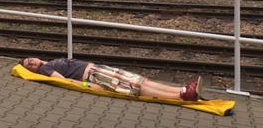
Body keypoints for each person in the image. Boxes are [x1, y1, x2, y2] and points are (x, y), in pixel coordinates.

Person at [20, 57, 203, 101]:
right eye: (30, 65)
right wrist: (87, 85)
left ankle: (183, 90)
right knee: (137, 87)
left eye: (31, 59)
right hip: (95, 76)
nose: (34, 62)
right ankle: (181, 95)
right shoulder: (46, 68)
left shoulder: (49, 62)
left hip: (99, 70)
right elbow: (63, 81)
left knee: (141, 80)